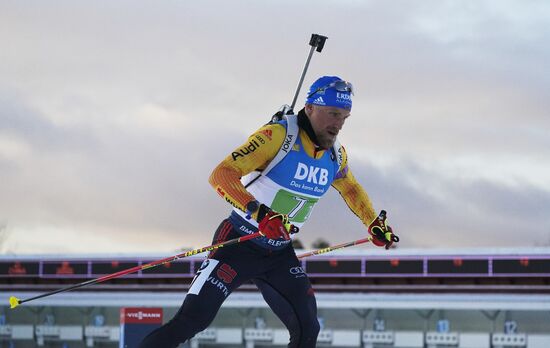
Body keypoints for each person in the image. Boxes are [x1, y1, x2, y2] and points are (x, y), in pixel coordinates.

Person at [139, 75, 398, 348]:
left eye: (344, 117)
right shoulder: (278, 136)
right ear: (310, 108)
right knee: (192, 320)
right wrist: (259, 212)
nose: (338, 124)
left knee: (308, 328)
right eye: (333, 113)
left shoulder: (336, 154)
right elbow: (221, 174)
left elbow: (351, 188)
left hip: (279, 254)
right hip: (238, 242)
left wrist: (373, 223)